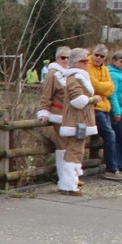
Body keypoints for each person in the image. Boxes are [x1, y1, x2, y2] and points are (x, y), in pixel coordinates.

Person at [58, 48, 100, 196]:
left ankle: (72, 182)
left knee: (77, 151)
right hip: (76, 121)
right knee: (74, 151)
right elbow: (77, 100)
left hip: (80, 120)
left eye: (87, 60)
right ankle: (69, 185)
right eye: (84, 61)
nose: (87, 63)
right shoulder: (74, 78)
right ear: (76, 62)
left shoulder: (78, 77)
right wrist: (92, 99)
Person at [37, 45, 71, 191]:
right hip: (58, 114)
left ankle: (71, 176)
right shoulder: (53, 73)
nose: (66, 60)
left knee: (71, 147)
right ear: (57, 58)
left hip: (69, 115)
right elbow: (47, 94)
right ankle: (64, 178)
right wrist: (44, 110)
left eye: (69, 58)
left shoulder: (69, 73)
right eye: (63, 58)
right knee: (62, 146)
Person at [89, 44, 122, 182]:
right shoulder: (87, 66)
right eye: (96, 55)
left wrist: (103, 88)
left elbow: (111, 88)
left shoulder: (104, 69)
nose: (98, 58)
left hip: (105, 106)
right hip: (95, 106)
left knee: (110, 136)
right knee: (110, 135)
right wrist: (103, 88)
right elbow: (95, 85)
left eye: (101, 56)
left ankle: (112, 166)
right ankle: (111, 168)